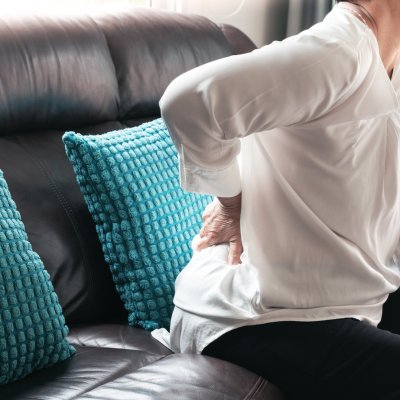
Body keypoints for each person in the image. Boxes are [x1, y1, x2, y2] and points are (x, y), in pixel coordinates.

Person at [151, 1, 400, 399]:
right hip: (253, 315)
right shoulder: (336, 53)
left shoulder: (387, 61)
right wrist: (232, 203)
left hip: (346, 294)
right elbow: (187, 101)